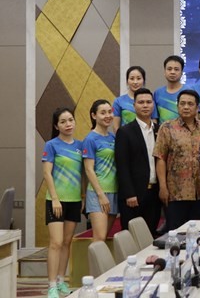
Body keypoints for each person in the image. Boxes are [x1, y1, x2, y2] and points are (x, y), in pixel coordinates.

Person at [154, 89, 200, 231]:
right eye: (182, 103)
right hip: (175, 193)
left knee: (199, 233)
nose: (186, 107)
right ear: (177, 105)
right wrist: (162, 187)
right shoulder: (167, 128)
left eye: (190, 104)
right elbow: (160, 158)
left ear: (197, 107)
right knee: (176, 234)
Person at [42, 108, 84, 298]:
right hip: (56, 201)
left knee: (67, 242)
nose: (68, 124)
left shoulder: (80, 146)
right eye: (63, 121)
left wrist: (82, 197)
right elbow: (46, 173)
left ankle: (61, 281)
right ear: (56, 125)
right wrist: (55, 199)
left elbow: (83, 173)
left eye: (70, 120)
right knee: (56, 243)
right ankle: (51, 285)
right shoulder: (51, 145)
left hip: (74, 200)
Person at [115, 88, 162, 236]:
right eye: (141, 102)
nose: (145, 105)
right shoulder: (125, 132)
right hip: (134, 195)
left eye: (148, 102)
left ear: (153, 105)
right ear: (134, 105)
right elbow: (122, 166)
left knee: (150, 236)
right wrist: (129, 193)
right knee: (133, 237)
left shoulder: (160, 130)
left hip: (155, 193)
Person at [82, 99, 117, 242]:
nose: (108, 116)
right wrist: (101, 195)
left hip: (114, 191)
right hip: (98, 193)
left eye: (109, 112)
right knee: (99, 237)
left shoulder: (113, 137)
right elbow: (88, 169)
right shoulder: (90, 139)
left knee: (104, 238)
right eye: (103, 113)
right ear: (94, 115)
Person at [112, 66, 153, 131]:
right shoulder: (118, 101)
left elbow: (154, 122)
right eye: (132, 78)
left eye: (138, 78)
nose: (135, 82)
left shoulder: (150, 100)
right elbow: (115, 127)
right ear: (127, 81)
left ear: (143, 80)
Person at [154, 55, 187, 123]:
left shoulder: (189, 91)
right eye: (169, 69)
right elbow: (155, 118)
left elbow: (196, 116)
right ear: (164, 72)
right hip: (163, 129)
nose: (172, 72)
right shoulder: (158, 93)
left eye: (176, 69)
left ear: (181, 73)